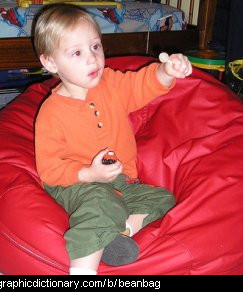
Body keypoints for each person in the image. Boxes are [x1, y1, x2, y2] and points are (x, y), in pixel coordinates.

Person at [33, 4, 192, 275]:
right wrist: (88, 174)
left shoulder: (111, 84)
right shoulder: (51, 112)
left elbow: (139, 85)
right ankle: (82, 272)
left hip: (123, 182)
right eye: (77, 53)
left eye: (95, 47)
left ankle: (120, 231)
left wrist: (166, 72)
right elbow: (49, 169)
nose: (92, 59)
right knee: (100, 202)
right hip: (76, 184)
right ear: (50, 63)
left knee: (164, 198)